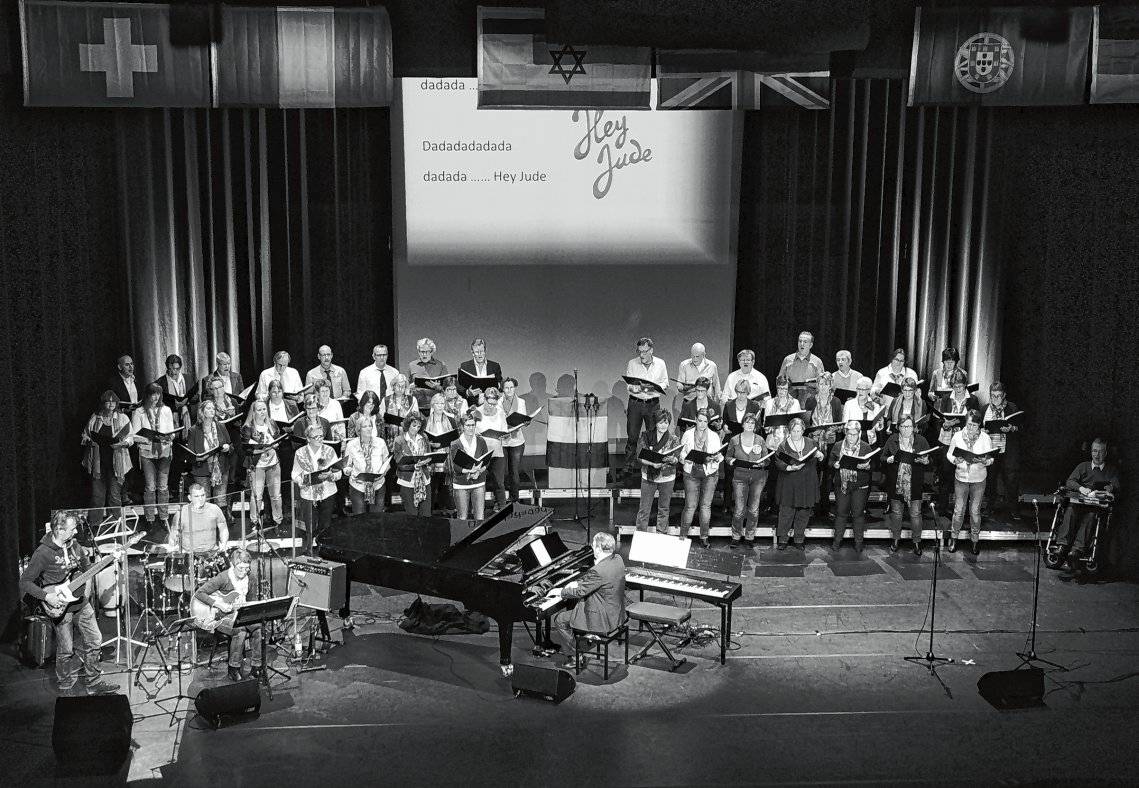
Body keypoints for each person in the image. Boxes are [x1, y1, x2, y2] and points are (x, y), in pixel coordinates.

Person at [19, 511, 117, 695]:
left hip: (81, 603)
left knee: (95, 640)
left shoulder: (75, 546)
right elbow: (25, 582)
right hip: (59, 606)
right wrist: (46, 597)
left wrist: (109, 560)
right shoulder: (43, 553)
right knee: (66, 650)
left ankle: (93, 683)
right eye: (72, 529)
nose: (76, 532)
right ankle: (65, 688)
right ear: (59, 530)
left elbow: (88, 570)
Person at [545, 532, 626, 670]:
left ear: (599, 548)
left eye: (593, 546)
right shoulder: (618, 559)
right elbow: (594, 581)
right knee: (575, 608)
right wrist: (578, 582)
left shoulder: (598, 570)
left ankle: (575, 655)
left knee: (560, 619)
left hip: (602, 618)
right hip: (616, 612)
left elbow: (580, 591)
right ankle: (584, 637)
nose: (592, 548)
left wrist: (560, 591)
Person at [192, 548, 264, 682]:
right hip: (220, 617)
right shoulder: (223, 577)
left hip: (239, 614)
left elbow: (251, 600)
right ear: (233, 564)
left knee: (259, 627)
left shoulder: (250, 578)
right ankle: (233, 668)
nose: (244, 572)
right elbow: (199, 593)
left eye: (246, 568)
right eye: (241, 568)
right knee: (240, 630)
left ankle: (256, 666)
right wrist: (219, 604)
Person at [1051, 438, 1121, 568]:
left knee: (1091, 516)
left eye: (1100, 452)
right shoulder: (1083, 466)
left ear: (1105, 453)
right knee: (1070, 510)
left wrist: (1110, 488)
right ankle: (1062, 546)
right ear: (1091, 452)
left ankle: (1076, 550)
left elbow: (1116, 485)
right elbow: (1070, 481)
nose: (1097, 455)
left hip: (1095, 507)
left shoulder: (1111, 470)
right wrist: (1081, 488)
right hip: (1079, 503)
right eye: (1094, 451)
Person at [945, 410, 994, 554]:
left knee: (975, 511)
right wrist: (955, 460)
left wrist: (986, 461)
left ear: (979, 425)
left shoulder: (985, 438)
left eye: (974, 425)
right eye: (969, 424)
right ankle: (954, 538)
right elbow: (949, 453)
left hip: (978, 479)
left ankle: (974, 540)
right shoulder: (957, 435)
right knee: (959, 510)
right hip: (961, 478)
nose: (971, 428)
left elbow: (991, 458)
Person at [882, 415, 932, 555]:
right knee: (897, 513)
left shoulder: (921, 440)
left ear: (914, 427)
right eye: (903, 426)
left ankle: (917, 542)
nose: (906, 429)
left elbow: (930, 460)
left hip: (915, 482)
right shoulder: (892, 439)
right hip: (896, 482)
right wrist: (889, 459)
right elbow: (882, 457)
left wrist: (926, 461)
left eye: (909, 426)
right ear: (898, 427)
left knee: (915, 514)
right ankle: (895, 540)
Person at [773, 417, 823, 548]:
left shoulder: (811, 443)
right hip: (789, 482)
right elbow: (778, 462)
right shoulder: (783, 445)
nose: (796, 434)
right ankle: (783, 539)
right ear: (789, 431)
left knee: (804, 511)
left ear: (803, 430)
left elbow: (819, 458)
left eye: (799, 431)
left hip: (807, 481)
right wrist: (790, 467)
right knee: (786, 511)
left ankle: (799, 539)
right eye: (794, 431)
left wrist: (820, 456)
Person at [623, 337, 669, 476]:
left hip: (652, 404)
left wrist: (654, 387)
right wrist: (637, 388)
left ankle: (652, 465)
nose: (642, 355)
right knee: (632, 436)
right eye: (640, 351)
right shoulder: (632, 363)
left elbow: (665, 382)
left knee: (653, 434)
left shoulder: (660, 363)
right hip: (635, 403)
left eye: (645, 351)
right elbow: (629, 386)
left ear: (651, 350)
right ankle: (628, 466)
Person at [131, 382, 175, 528]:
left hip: (164, 451)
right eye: (153, 394)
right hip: (147, 452)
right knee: (150, 487)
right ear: (147, 395)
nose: (156, 397)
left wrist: (169, 437)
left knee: (163, 486)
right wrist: (147, 438)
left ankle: (164, 517)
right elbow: (134, 435)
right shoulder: (139, 412)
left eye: (158, 394)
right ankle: (150, 518)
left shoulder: (166, 410)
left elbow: (172, 432)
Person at [81, 390, 133, 513]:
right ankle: (95, 523)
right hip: (98, 461)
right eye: (108, 402)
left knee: (114, 495)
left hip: (116, 460)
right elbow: (85, 434)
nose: (111, 404)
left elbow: (130, 437)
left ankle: (114, 522)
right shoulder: (95, 417)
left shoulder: (123, 418)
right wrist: (89, 441)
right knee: (97, 496)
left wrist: (124, 443)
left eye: (113, 402)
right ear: (103, 403)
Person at [935, 370, 980, 512]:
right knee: (945, 472)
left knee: (965, 473)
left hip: (965, 440)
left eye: (960, 386)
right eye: (955, 386)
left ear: (965, 385)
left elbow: (976, 419)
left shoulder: (972, 400)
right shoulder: (946, 398)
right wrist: (945, 424)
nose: (958, 389)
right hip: (948, 439)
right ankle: (943, 507)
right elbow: (940, 419)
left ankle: (963, 508)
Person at [725, 413, 772, 548]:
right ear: (743, 424)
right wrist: (733, 461)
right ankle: (736, 536)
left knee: (753, 509)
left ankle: (750, 537)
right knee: (739, 509)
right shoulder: (734, 439)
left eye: (752, 423)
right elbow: (727, 457)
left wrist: (762, 463)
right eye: (747, 422)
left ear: (755, 425)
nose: (750, 425)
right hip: (740, 476)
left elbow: (767, 460)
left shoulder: (760, 440)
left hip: (758, 477)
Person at [290, 424, 343, 542]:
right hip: (308, 493)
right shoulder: (300, 453)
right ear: (308, 439)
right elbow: (295, 473)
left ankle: (323, 549)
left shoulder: (330, 450)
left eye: (321, 436)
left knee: (326, 526)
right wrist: (300, 481)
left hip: (328, 492)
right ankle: (310, 549)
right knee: (310, 526)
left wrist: (331, 476)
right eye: (316, 437)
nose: (320, 439)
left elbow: (338, 473)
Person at [828, 421, 874, 552]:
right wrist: (835, 464)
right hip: (842, 484)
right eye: (849, 434)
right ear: (845, 433)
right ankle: (837, 541)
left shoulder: (865, 447)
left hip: (859, 485)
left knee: (858, 513)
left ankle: (858, 542)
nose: (851, 437)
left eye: (854, 434)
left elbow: (874, 465)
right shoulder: (838, 445)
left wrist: (867, 466)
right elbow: (830, 462)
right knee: (841, 512)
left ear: (859, 434)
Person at [679, 408, 722, 548]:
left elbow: (719, 455)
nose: (702, 424)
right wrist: (685, 459)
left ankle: (704, 537)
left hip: (709, 473)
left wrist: (716, 458)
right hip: (691, 473)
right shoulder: (687, 434)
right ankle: (683, 536)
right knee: (690, 506)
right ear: (695, 420)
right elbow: (681, 453)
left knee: (705, 506)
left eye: (705, 421)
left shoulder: (714, 436)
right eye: (700, 421)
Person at [634, 411, 682, 534]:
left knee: (664, 509)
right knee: (644, 509)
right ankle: (640, 535)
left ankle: (661, 535)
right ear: (656, 423)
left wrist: (673, 460)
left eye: (666, 423)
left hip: (667, 478)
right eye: (660, 423)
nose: (663, 425)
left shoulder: (674, 439)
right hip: (648, 477)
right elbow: (639, 456)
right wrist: (652, 464)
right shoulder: (646, 436)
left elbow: (677, 458)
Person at [805, 372, 844, 516]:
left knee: (828, 476)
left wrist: (831, 429)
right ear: (817, 385)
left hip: (830, 442)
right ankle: (812, 506)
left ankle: (825, 507)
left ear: (830, 385)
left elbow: (840, 425)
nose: (823, 387)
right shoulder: (810, 401)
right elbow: (806, 423)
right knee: (813, 475)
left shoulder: (836, 402)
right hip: (814, 443)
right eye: (820, 384)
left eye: (826, 384)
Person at [241, 400, 284, 528]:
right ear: (253, 412)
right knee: (257, 496)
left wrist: (276, 444)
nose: (262, 412)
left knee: (276, 495)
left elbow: (278, 438)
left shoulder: (271, 423)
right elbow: (246, 449)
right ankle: (255, 522)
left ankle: (278, 521)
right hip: (257, 465)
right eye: (259, 410)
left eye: (264, 409)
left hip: (273, 463)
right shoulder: (248, 427)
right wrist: (263, 448)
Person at [983, 382, 1022, 520]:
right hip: (992, 449)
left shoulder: (1012, 407)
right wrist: (983, 431)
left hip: (1008, 449)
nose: (996, 399)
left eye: (999, 396)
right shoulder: (985, 409)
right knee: (990, 479)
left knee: (1011, 479)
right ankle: (989, 507)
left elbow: (1021, 427)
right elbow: (980, 428)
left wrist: (1011, 428)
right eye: (993, 396)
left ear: (1004, 395)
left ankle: (1013, 509)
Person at [186, 399, 236, 501]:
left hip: (220, 467)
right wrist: (197, 458)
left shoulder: (221, 426)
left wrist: (227, 448)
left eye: (213, 408)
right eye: (209, 408)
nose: (212, 410)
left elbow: (231, 446)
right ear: (202, 411)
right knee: (204, 500)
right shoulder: (193, 430)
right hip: (202, 469)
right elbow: (190, 454)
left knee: (220, 500)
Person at [450, 412, 491, 521]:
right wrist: (469, 471)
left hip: (479, 483)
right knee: (462, 518)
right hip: (461, 485)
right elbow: (455, 467)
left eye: (473, 425)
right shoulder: (455, 444)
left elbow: (486, 461)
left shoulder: (481, 441)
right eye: (468, 425)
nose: (471, 428)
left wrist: (479, 471)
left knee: (480, 517)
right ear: (462, 426)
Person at [168, 482, 230, 552]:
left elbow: (223, 528)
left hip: (211, 552)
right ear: (190, 498)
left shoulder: (214, 509)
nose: (200, 499)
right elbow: (173, 536)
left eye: (202, 495)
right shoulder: (181, 513)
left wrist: (223, 544)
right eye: (196, 496)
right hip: (188, 553)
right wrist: (173, 545)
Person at [475, 387, 510, 509]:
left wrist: (505, 435)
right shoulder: (477, 412)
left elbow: (504, 430)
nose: (491, 406)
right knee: (479, 481)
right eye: (489, 403)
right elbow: (471, 430)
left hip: (497, 451)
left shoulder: (500, 412)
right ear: (484, 399)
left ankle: (502, 507)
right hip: (481, 452)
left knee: (499, 482)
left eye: (494, 404)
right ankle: (478, 508)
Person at [392, 413, 433, 516]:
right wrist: (414, 466)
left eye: (419, 426)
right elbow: (399, 463)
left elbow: (429, 455)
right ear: (408, 425)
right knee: (412, 515)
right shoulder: (399, 440)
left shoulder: (424, 437)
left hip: (424, 480)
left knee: (426, 514)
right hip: (407, 481)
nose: (416, 429)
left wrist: (427, 461)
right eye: (414, 426)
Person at [345, 421, 390, 515]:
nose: (368, 428)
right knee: (360, 518)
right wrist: (348, 471)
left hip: (378, 484)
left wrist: (383, 474)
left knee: (377, 518)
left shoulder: (380, 442)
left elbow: (387, 463)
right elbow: (347, 465)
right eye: (365, 426)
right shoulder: (351, 445)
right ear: (359, 430)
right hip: (358, 486)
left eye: (370, 426)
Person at [424, 393, 459, 512]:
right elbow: (422, 439)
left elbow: (456, 438)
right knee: (432, 485)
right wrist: (430, 444)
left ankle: (446, 510)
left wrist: (447, 442)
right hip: (432, 457)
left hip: (446, 456)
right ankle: (430, 511)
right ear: (432, 405)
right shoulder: (426, 421)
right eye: (437, 403)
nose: (440, 406)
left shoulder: (451, 420)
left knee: (445, 486)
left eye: (442, 403)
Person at [499, 378, 528, 503]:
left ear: (515, 388)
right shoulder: (498, 402)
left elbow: (523, 418)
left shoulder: (521, 402)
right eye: (506, 388)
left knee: (514, 471)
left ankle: (514, 499)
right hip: (502, 440)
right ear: (502, 389)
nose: (509, 390)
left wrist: (526, 422)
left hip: (517, 441)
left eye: (511, 387)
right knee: (502, 471)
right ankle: (500, 500)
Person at [778, 331, 825, 407]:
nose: (802, 344)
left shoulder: (817, 361)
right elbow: (779, 381)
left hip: (809, 402)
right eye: (800, 341)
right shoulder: (788, 359)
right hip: (790, 402)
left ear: (811, 345)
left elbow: (822, 384)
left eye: (805, 342)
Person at [154, 353, 193, 433]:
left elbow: (196, 397)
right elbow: (157, 403)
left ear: (180, 368)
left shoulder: (188, 378)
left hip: (187, 417)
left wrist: (186, 400)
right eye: (171, 369)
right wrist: (172, 403)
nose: (174, 372)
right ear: (167, 367)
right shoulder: (160, 382)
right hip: (170, 420)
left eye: (177, 369)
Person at [843, 376, 887, 446]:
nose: (860, 392)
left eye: (863, 389)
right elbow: (845, 425)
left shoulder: (875, 406)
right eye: (858, 389)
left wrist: (881, 423)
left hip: (870, 442)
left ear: (869, 390)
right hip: (852, 442)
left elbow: (877, 428)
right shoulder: (849, 404)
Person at [457, 338, 504, 403]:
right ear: (472, 353)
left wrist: (498, 387)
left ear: (485, 351)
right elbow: (459, 387)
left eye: (481, 351)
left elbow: (500, 384)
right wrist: (467, 392)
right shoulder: (464, 366)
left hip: (491, 402)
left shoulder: (495, 366)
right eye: (476, 352)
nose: (479, 354)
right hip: (472, 403)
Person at [408, 337, 449, 410]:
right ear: (418, 351)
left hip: (436, 406)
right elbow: (408, 386)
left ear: (432, 351)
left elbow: (447, 388)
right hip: (417, 406)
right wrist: (410, 387)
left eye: (427, 351)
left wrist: (438, 387)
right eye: (421, 352)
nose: (424, 354)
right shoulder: (412, 365)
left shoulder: (440, 365)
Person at [382, 374, 420, 444]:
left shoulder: (412, 400)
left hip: (407, 439)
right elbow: (381, 420)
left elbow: (416, 420)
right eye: (398, 386)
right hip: (389, 438)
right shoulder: (385, 400)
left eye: (403, 386)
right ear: (393, 386)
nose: (400, 389)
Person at [314, 379, 347, 444]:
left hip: (334, 439)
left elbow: (341, 424)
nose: (325, 393)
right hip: (319, 439)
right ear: (318, 392)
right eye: (322, 391)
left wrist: (343, 442)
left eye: (327, 390)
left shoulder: (336, 403)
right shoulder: (314, 404)